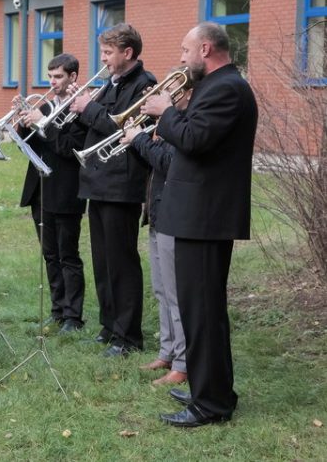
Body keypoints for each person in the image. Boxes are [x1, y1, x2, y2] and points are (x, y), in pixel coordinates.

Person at [141, 22, 257, 427]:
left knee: (203, 313)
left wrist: (165, 111)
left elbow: (194, 139)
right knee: (200, 311)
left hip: (206, 218)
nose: (182, 58)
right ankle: (212, 390)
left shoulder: (227, 88)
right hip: (196, 215)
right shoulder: (216, 86)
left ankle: (211, 405)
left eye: (185, 50)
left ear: (206, 48)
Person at [70, 23, 156, 357]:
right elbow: (95, 122)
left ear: (128, 53)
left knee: (121, 261)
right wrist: (78, 108)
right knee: (103, 260)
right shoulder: (111, 83)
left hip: (122, 184)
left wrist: (88, 109)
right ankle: (109, 325)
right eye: (103, 52)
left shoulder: (144, 85)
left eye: (108, 52)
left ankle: (128, 335)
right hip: (98, 182)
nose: (103, 59)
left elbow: (122, 129)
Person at [122, 78, 192, 386]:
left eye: (171, 91)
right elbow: (152, 163)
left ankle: (183, 362)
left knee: (177, 294)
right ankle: (167, 352)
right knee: (161, 290)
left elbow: (170, 163)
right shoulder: (166, 123)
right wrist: (136, 139)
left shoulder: (184, 124)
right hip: (156, 211)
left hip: (174, 214)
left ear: (185, 93)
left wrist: (141, 139)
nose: (165, 96)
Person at [16, 54, 87, 333]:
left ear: (73, 77)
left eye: (58, 76)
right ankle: (58, 310)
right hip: (40, 189)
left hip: (67, 190)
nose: (52, 82)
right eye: (50, 77)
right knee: (49, 254)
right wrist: (23, 122)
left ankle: (73, 316)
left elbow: (70, 148)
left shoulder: (82, 109)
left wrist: (44, 124)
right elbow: (31, 143)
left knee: (68, 255)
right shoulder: (45, 106)